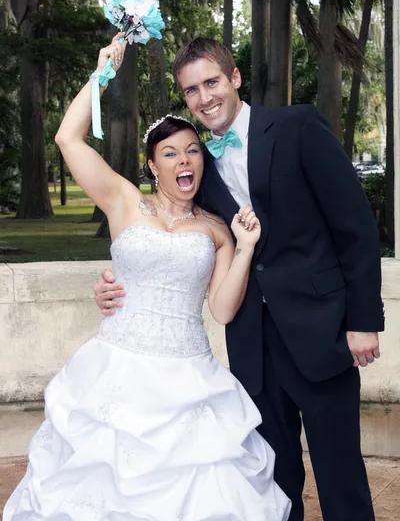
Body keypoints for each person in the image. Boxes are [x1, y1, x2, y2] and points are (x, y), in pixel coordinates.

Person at [94, 37, 384, 521]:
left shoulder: (298, 126)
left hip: (321, 332)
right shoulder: (196, 167)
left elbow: (354, 226)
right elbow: (168, 237)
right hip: (251, 345)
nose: (204, 98)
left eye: (211, 82)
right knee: (271, 478)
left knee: (340, 474)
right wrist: (117, 282)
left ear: (234, 78)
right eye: (191, 90)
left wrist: (362, 320)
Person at [3, 34, 291, 521]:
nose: (185, 161)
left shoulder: (216, 229)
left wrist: (243, 249)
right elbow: (67, 139)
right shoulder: (122, 201)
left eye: (193, 152)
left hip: (188, 378)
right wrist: (101, 74)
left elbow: (221, 309)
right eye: (172, 154)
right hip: (118, 371)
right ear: (153, 166)